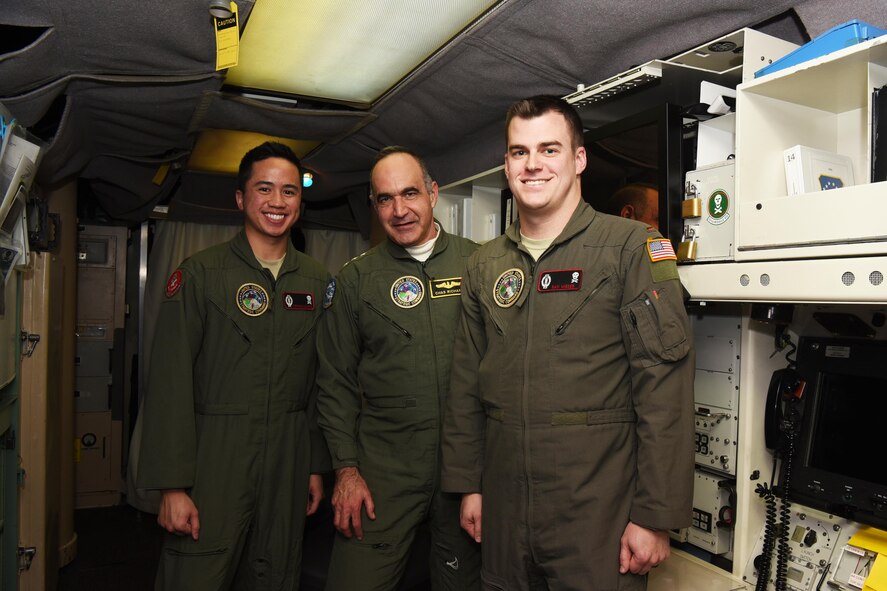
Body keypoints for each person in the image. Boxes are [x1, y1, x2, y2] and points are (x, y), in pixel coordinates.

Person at [441, 96, 695, 590]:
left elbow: (663, 392)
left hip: (598, 516)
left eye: (549, 149)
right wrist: (468, 486)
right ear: (507, 165)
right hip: (505, 508)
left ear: (579, 160)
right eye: (519, 152)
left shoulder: (629, 249)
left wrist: (654, 516)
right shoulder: (485, 264)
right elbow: (465, 387)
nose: (533, 164)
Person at [137, 141, 331, 590]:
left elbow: (321, 384)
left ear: (300, 203)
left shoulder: (318, 282)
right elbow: (170, 381)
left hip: (287, 460)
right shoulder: (201, 275)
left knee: (276, 572)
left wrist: (315, 465)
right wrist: (171, 486)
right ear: (242, 199)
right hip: (214, 461)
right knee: (197, 571)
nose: (277, 202)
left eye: (288, 191)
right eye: (265, 189)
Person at [316, 146, 481, 591]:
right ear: (374, 206)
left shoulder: (481, 264)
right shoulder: (355, 280)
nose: (400, 209)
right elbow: (334, 383)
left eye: (410, 193)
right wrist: (346, 472)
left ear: (433, 193)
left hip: (465, 473)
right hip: (383, 470)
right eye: (385, 199)